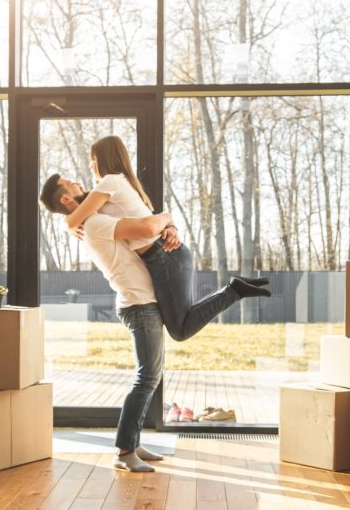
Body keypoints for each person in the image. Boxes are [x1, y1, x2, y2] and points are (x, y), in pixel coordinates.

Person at [63, 135, 270, 341]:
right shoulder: (119, 185)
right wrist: (170, 224)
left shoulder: (110, 182)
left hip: (166, 257)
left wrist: (69, 225)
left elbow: (75, 220)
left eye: (94, 160)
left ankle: (234, 291)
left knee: (179, 331)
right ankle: (235, 290)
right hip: (164, 257)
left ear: (105, 159)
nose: (91, 165)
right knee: (180, 325)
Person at [40, 175, 171, 472]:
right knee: (147, 377)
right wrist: (168, 216)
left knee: (150, 376)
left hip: (141, 301)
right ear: (65, 198)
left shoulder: (91, 220)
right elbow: (149, 227)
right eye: (70, 182)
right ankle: (124, 451)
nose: (78, 181)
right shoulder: (95, 224)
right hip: (138, 303)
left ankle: (133, 443)